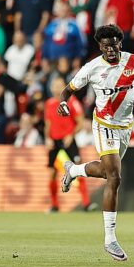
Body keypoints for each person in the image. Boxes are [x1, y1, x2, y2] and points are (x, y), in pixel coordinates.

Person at [56, 25, 134, 261]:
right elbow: (67, 90)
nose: (110, 49)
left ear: (120, 43)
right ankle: (110, 239)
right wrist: (63, 103)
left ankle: (75, 169)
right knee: (114, 177)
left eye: (114, 44)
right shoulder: (92, 68)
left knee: (106, 172)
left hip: (125, 127)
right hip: (103, 124)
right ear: (100, 47)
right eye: (105, 45)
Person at [44, 77, 91, 213]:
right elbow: (48, 124)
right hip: (54, 141)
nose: (56, 88)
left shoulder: (72, 101)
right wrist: (47, 138)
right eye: (54, 85)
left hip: (68, 140)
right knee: (52, 172)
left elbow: (80, 122)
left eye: (59, 85)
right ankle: (54, 205)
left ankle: (86, 203)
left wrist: (71, 135)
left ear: (64, 87)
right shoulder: (49, 103)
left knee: (78, 168)